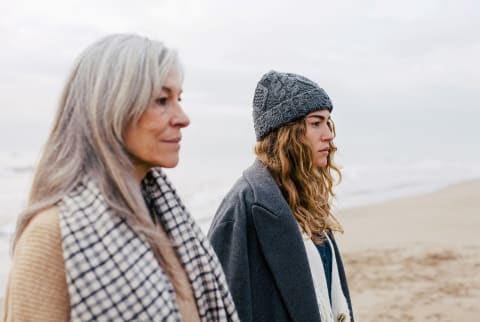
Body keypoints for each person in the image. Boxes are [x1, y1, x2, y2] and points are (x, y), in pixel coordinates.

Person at [2, 34, 239, 322]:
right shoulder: (51, 236)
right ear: (111, 107)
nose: (183, 117)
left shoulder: (166, 218)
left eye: (179, 98)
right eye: (162, 100)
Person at [208, 70, 354, 322]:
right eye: (316, 123)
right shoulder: (244, 207)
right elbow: (224, 309)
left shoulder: (305, 199)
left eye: (327, 122)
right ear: (287, 133)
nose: (328, 134)